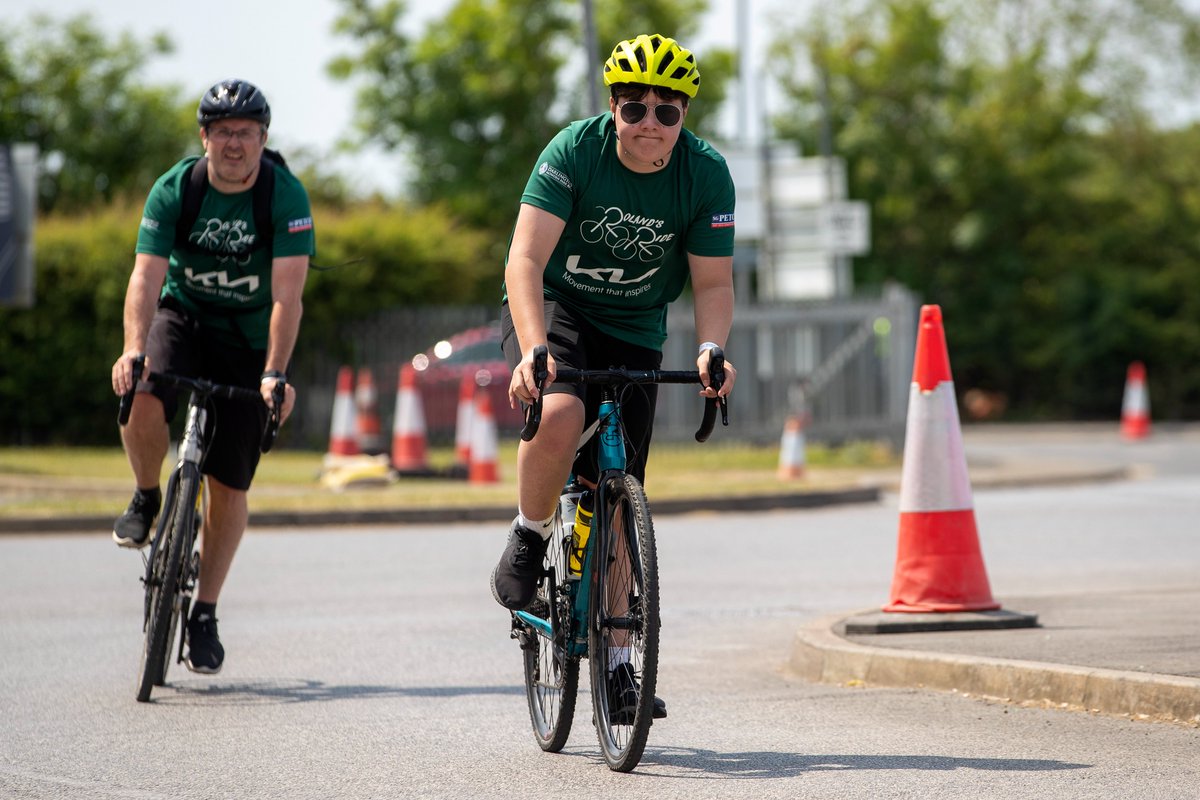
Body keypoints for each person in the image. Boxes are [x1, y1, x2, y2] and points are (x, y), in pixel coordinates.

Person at [489, 34, 737, 715]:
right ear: (613, 108)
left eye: (666, 111)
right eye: (634, 109)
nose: (649, 124)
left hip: (635, 331)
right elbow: (523, 261)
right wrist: (533, 348)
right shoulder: (574, 151)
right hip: (557, 309)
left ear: (684, 114)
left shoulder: (706, 173)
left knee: (619, 500)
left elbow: (714, 283)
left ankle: (620, 667)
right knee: (563, 412)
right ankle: (529, 534)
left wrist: (712, 347)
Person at [110, 79, 314, 675]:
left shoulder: (285, 196)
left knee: (230, 484)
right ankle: (147, 497)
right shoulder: (176, 189)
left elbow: (287, 298)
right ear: (204, 137)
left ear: (263, 138)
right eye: (222, 131)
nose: (233, 143)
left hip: (250, 340)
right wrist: (130, 349)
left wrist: (275, 372)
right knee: (144, 390)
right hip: (186, 319)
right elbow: (146, 278)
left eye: (245, 131)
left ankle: (205, 612)